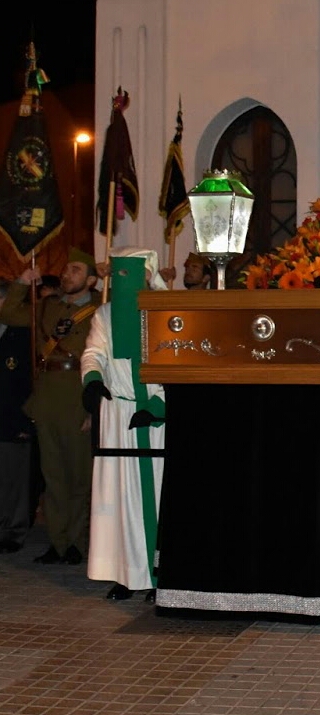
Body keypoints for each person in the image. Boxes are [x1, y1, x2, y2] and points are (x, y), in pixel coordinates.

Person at [0, 247, 101, 564]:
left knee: (79, 477)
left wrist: (93, 408)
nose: (67, 274)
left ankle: (76, 543)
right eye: (67, 268)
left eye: (76, 270)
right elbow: (8, 314)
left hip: (77, 398)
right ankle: (57, 543)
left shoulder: (100, 311)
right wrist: (22, 282)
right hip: (46, 399)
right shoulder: (46, 306)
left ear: (92, 280)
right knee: (53, 476)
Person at [81, 248, 168, 601]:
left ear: (147, 276)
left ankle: (160, 575)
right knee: (119, 498)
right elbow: (94, 352)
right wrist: (93, 380)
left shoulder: (167, 314)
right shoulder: (104, 314)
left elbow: (178, 368)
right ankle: (126, 574)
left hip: (155, 419)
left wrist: (158, 405)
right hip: (117, 415)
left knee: (158, 497)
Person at [0, 278, 34, 553]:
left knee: (14, 479)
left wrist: (25, 419)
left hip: (14, 416)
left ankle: (13, 531)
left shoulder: (22, 334)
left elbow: (28, 380)